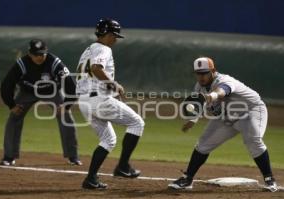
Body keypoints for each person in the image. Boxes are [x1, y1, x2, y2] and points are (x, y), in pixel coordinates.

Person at [168, 57, 278, 192]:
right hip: (226, 117)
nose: (201, 76)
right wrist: (192, 120)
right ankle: (187, 179)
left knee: (253, 141)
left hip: (250, 111)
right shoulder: (199, 87)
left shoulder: (225, 80)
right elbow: (197, 105)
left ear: (213, 71)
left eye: (205, 73)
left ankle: (269, 180)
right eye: (198, 73)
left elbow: (222, 91)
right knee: (203, 144)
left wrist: (212, 96)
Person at [76, 18, 145, 189]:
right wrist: (114, 84)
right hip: (98, 99)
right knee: (137, 123)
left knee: (108, 139)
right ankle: (122, 166)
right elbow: (96, 69)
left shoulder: (88, 49)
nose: (115, 39)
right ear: (106, 34)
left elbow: (90, 74)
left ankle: (90, 179)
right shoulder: (103, 48)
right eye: (114, 35)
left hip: (84, 101)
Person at [0, 39, 82, 166]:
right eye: (36, 54)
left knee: (65, 116)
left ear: (46, 52)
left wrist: (66, 105)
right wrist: (11, 105)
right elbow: (7, 84)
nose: (39, 57)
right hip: (27, 92)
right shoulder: (22, 63)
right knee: (14, 117)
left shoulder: (54, 62)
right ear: (29, 54)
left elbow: (71, 84)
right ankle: (9, 157)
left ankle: (73, 156)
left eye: (42, 54)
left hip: (52, 91)